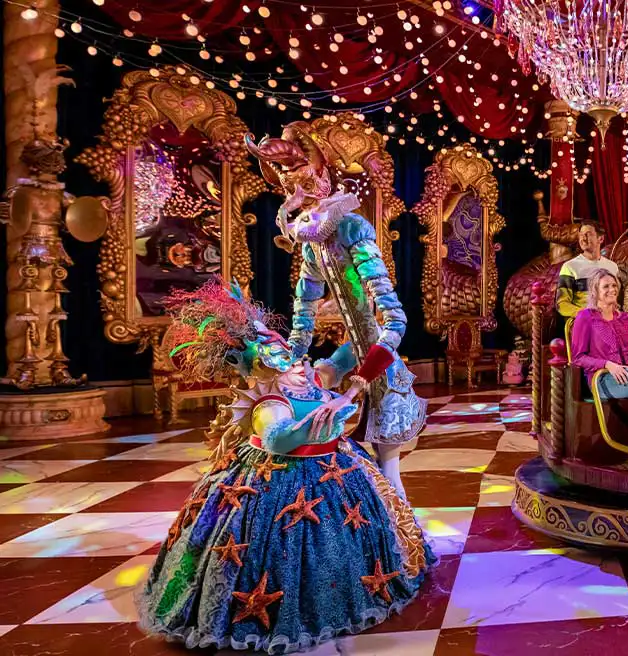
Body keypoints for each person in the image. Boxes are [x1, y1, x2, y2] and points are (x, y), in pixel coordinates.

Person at [138, 282, 432, 653]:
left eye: (298, 361)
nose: (301, 366)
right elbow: (277, 438)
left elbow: (346, 357)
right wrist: (314, 424)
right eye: (289, 363)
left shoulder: (315, 381)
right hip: (278, 485)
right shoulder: (269, 402)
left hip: (336, 471)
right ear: (264, 371)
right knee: (291, 556)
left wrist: (367, 319)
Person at [248, 128, 426, 499]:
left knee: (387, 469)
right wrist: (290, 358)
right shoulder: (314, 247)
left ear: (326, 179)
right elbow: (304, 312)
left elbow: (395, 321)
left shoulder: (352, 227)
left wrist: (356, 387)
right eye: (292, 190)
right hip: (351, 355)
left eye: (308, 183)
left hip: (380, 365)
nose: (302, 196)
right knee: (350, 466)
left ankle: (405, 547)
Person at [569, 269, 628, 424]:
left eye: (614, 285)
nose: (612, 290)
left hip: (627, 374)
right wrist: (607, 364)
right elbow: (578, 358)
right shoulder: (585, 317)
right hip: (602, 378)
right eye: (606, 287)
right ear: (595, 291)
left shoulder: (625, 318)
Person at [556, 221, 620, 319]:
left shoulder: (612, 267)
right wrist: (587, 314)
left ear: (601, 238)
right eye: (581, 235)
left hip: (608, 317)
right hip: (581, 319)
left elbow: (617, 299)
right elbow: (561, 304)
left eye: (588, 234)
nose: (583, 239)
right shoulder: (570, 267)